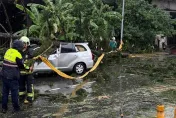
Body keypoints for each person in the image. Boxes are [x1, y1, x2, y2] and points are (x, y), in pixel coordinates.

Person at [1, 40, 25, 113]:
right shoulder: (18, 54)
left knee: (5, 93)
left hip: (4, 76)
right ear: (19, 47)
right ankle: (16, 108)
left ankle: (4, 108)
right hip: (12, 78)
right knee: (14, 93)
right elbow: (21, 65)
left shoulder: (8, 51)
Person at [19, 36, 35, 104]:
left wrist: (32, 66)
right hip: (21, 72)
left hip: (29, 73)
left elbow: (33, 59)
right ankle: (21, 98)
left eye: (26, 43)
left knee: (29, 86)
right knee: (21, 86)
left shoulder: (30, 51)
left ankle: (30, 98)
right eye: (23, 43)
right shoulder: (18, 51)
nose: (25, 45)